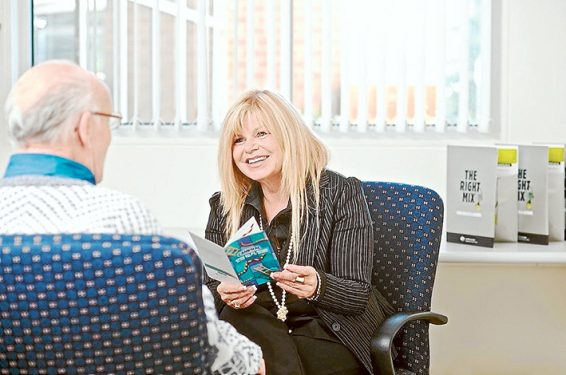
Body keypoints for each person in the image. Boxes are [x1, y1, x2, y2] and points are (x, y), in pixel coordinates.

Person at [0, 60, 265, 375]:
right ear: (85, 128)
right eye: (108, 121)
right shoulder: (121, 217)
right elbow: (202, 341)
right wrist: (254, 359)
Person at [204, 89, 394, 374]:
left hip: (326, 329)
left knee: (252, 363)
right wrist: (224, 292)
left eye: (262, 134)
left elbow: (357, 294)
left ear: (288, 135)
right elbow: (209, 291)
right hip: (255, 324)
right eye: (238, 140)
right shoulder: (226, 206)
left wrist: (319, 285)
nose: (249, 147)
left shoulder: (339, 193)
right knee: (236, 324)